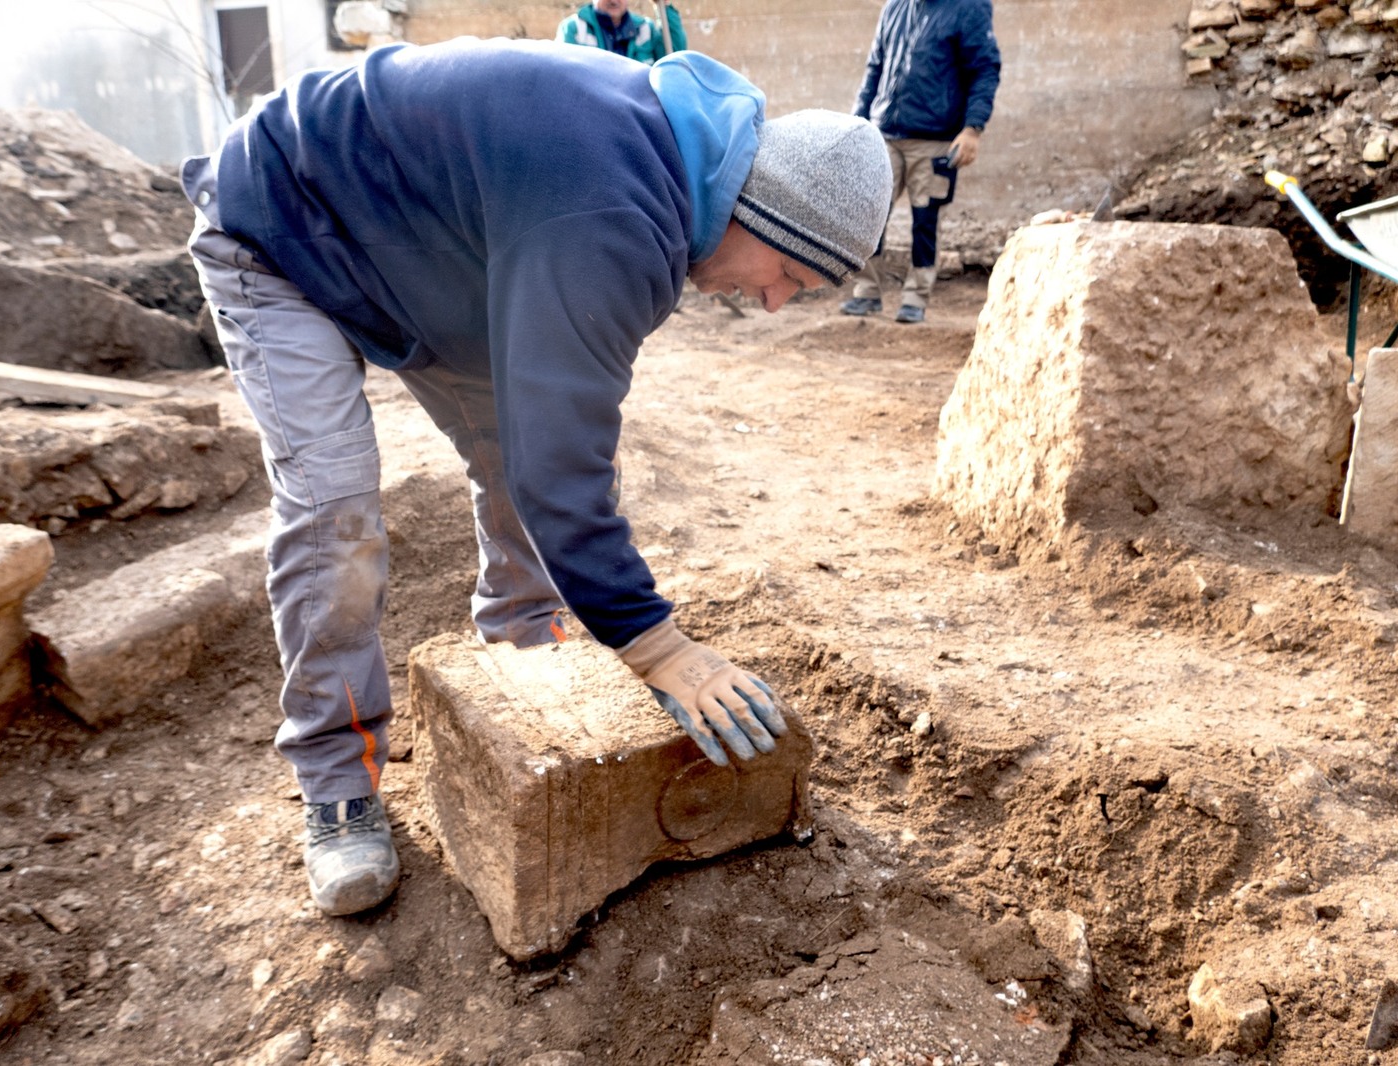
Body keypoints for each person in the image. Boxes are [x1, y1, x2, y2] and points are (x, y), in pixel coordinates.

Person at [181, 37, 893, 917]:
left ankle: (523, 656)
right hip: (283, 222)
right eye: (788, 274)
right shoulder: (613, 213)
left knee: (517, 452)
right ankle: (337, 779)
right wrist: (658, 646)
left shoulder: (676, 183)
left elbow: (559, 431)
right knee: (337, 508)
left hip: (427, 255)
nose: (776, 301)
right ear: (759, 215)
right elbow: (563, 465)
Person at [840, 0, 1001, 324]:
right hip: (883, 134)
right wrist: (857, 122)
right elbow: (875, 66)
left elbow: (984, 69)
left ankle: (915, 298)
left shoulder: (969, 8)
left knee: (925, 222)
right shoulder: (895, 7)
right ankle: (867, 292)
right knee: (867, 213)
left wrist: (973, 128)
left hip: (935, 139)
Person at [557, 0, 686, 63]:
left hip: (638, 111)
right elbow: (565, 76)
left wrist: (665, 5)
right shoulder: (574, 29)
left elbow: (675, 56)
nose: (614, 1)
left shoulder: (645, 29)